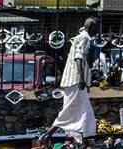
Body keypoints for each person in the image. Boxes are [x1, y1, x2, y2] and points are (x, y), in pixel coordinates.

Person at [39, 18, 99, 147]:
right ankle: (47, 135)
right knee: (73, 111)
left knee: (82, 111)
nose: (98, 30)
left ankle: (83, 141)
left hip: (72, 80)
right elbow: (78, 58)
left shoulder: (81, 36)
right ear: (91, 27)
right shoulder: (84, 38)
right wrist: (82, 79)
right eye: (96, 28)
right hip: (76, 81)